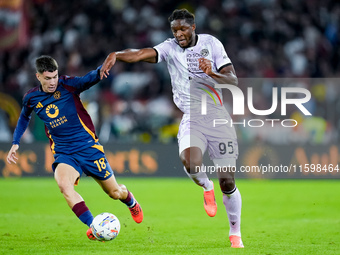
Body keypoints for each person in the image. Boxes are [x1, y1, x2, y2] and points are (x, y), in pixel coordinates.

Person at [100, 9, 243, 248]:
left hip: (217, 117)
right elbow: (141, 54)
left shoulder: (212, 44)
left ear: (193, 27)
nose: (178, 34)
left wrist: (212, 73)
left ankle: (235, 233)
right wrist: (117, 55)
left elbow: (233, 80)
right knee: (190, 161)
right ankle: (206, 186)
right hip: (192, 117)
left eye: (182, 29)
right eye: (174, 30)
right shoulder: (170, 48)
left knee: (227, 181)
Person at [6, 55, 143, 240]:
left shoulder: (67, 85)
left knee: (114, 192)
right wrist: (16, 142)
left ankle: (130, 200)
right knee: (64, 186)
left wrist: (101, 70)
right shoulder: (31, 98)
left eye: (55, 76)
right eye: (47, 78)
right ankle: (94, 226)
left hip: (88, 148)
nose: (53, 81)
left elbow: (88, 79)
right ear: (38, 76)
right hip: (64, 153)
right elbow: (24, 117)